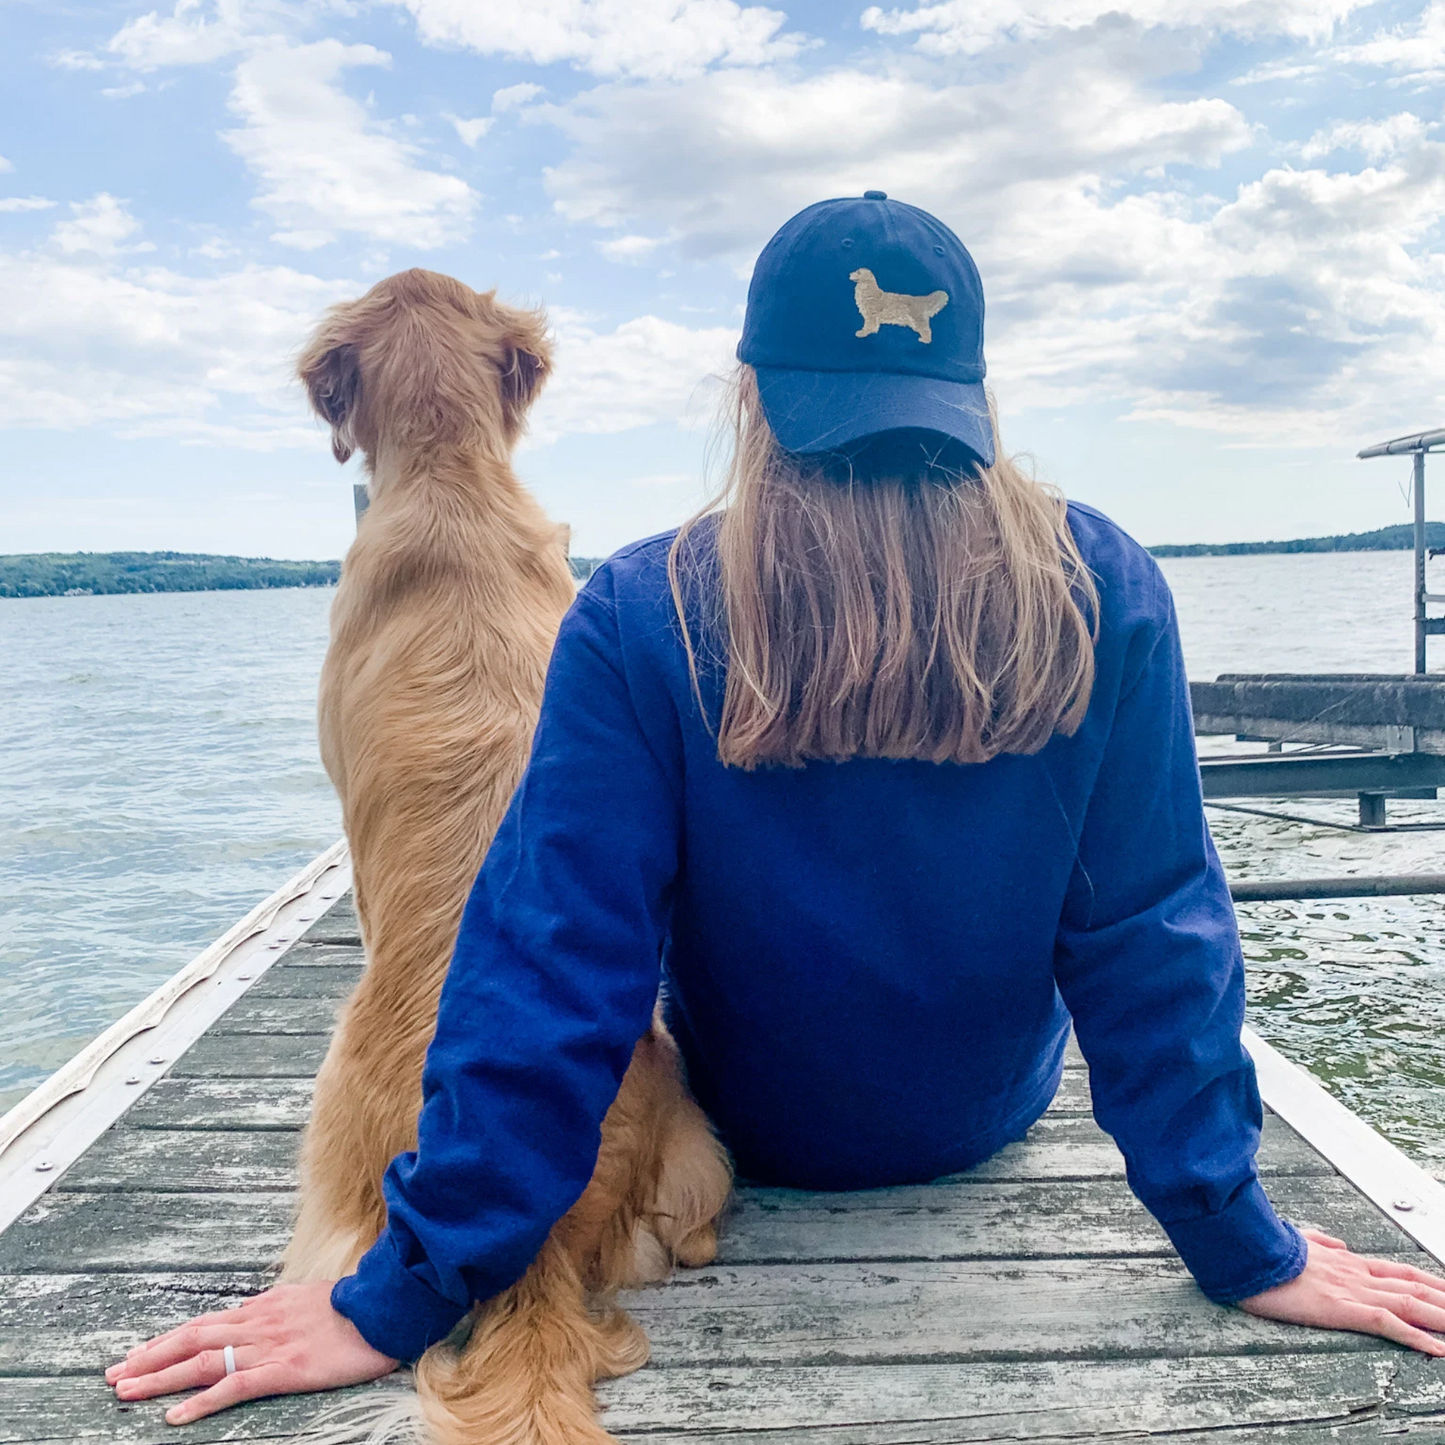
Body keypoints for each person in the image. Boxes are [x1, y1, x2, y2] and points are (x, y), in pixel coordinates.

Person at [108, 194, 1445, 1425]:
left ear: (752, 398)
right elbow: (1156, 939)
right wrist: (1238, 1238)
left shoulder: (641, 612)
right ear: (969, 393)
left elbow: (557, 968)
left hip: (758, 1126)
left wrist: (403, 1288)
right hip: (979, 1117)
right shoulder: (1106, 588)